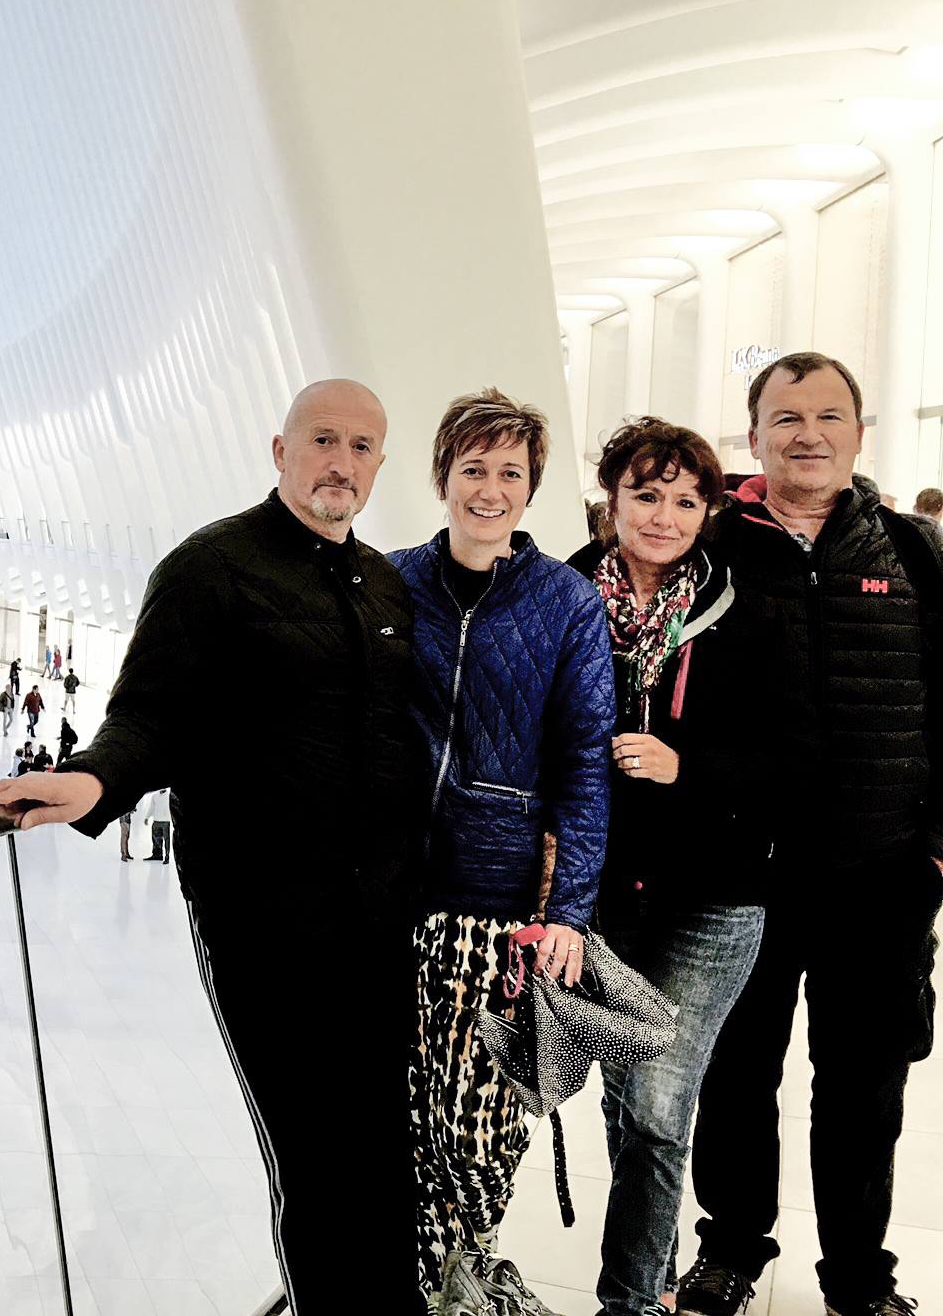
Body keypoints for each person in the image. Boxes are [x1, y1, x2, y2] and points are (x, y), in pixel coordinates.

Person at [0, 379, 427, 1313]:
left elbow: (405, 741)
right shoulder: (211, 568)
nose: (340, 462)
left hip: (380, 915)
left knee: (386, 1146)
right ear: (280, 451)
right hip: (265, 914)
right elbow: (152, 713)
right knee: (312, 1151)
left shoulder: (387, 584)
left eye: (360, 446)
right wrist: (96, 779)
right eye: (321, 441)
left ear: (380, 465)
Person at [677, 353, 943, 1316]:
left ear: (860, 435)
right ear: (753, 437)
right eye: (785, 416)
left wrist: (937, 847)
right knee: (736, 1072)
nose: (808, 433)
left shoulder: (913, 554)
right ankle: (732, 1250)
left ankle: (859, 1276)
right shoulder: (708, 548)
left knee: (864, 1086)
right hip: (740, 872)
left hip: (879, 874)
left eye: (829, 415)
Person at [388, 388, 614, 1300]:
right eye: (472, 468)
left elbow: (585, 764)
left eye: (509, 473)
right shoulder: (390, 579)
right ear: (442, 475)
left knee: (483, 1121)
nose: (489, 489)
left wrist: (569, 912)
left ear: (532, 490)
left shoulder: (563, 601)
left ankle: (467, 1259)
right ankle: (428, 1279)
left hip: (502, 908)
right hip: (393, 895)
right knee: (403, 1108)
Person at [562, 418, 770, 1316]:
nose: (665, 515)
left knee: (654, 1100)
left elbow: (789, 757)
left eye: (686, 499)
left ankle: (632, 1300)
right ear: (611, 500)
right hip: (606, 897)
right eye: (646, 494)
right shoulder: (562, 596)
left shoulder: (739, 605)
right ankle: (646, 1260)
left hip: (713, 896)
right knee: (627, 1102)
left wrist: (690, 768)